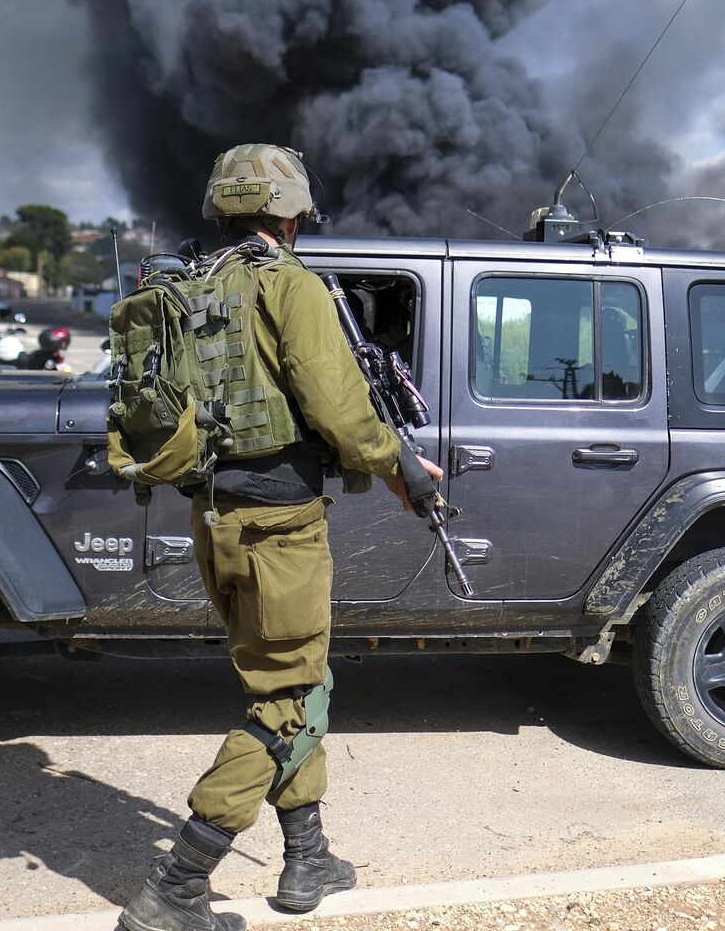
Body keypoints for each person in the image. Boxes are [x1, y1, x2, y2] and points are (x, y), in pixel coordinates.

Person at [119, 144, 444, 931]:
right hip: (280, 528)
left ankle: (307, 857)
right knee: (288, 701)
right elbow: (339, 412)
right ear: (291, 211)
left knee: (293, 683)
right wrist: (406, 469)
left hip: (216, 520)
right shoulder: (286, 284)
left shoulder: (188, 283)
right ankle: (176, 887)